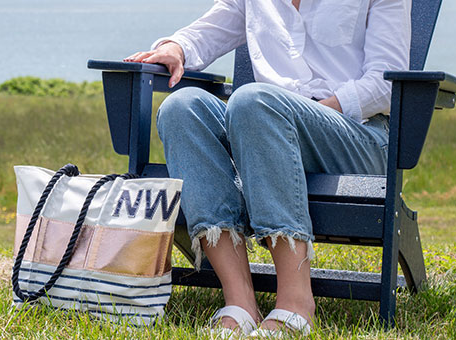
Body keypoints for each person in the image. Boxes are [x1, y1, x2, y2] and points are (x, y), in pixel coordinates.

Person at [125, 0, 411, 336]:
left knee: (254, 101)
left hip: (355, 135)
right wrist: (176, 47)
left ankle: (296, 302)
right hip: (263, 129)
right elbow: (208, 31)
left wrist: (308, 110)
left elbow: (386, 83)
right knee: (182, 108)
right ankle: (240, 301)